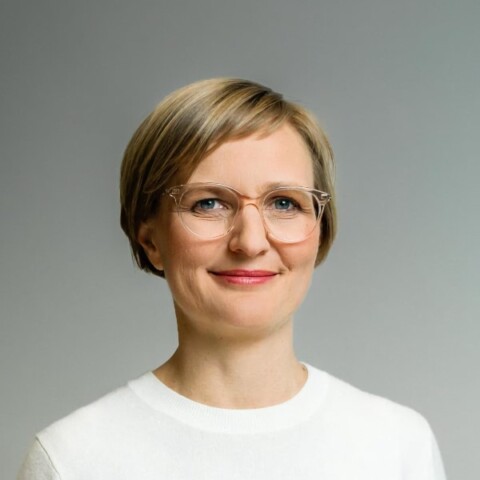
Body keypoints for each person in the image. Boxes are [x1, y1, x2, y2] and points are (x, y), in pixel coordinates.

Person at [18, 78, 447, 479]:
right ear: (150, 240)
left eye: (284, 202)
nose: (250, 241)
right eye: (208, 203)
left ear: (320, 231)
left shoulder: (398, 448)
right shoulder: (73, 459)